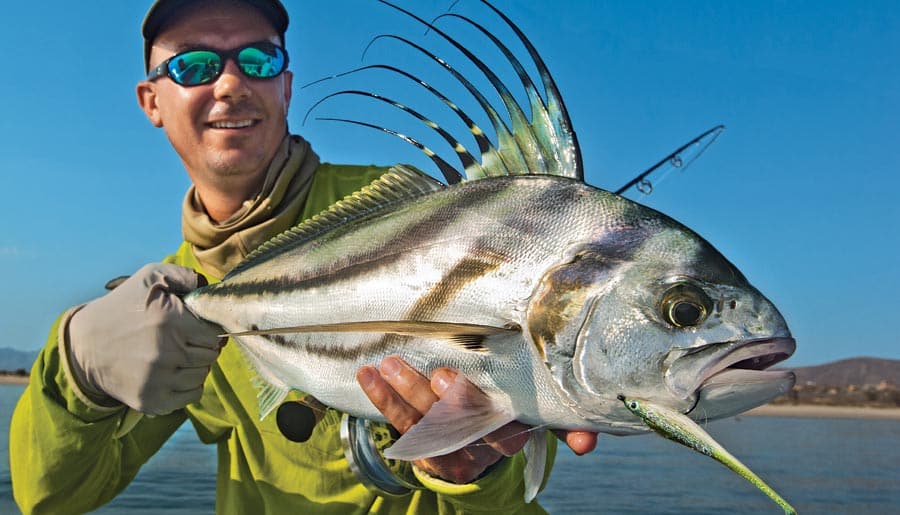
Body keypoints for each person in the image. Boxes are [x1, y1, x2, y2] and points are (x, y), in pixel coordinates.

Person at [10, 1, 597, 513]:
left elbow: (511, 479)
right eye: (193, 65)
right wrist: (77, 370)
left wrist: (480, 473)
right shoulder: (171, 308)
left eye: (258, 60)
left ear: (286, 86)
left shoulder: (413, 212)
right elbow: (54, 496)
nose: (231, 83)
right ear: (151, 101)